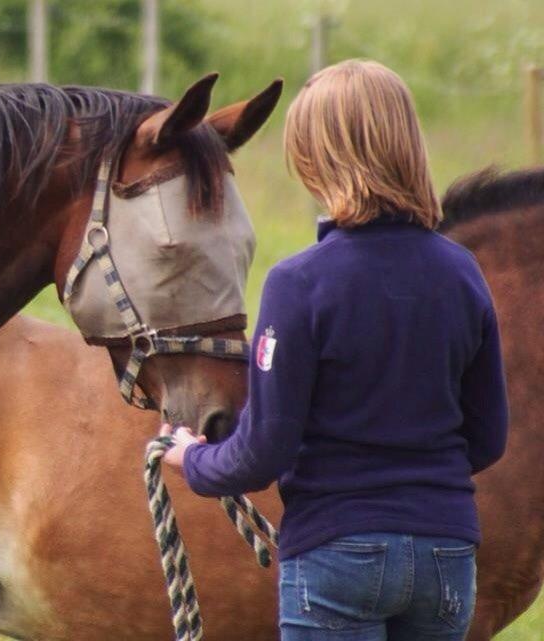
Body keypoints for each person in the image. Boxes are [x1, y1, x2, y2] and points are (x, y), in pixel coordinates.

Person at [160, 59, 508, 640]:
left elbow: (262, 453)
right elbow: (488, 436)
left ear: (318, 160)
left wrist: (191, 459)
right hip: (446, 554)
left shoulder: (299, 284)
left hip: (336, 551)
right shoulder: (463, 274)